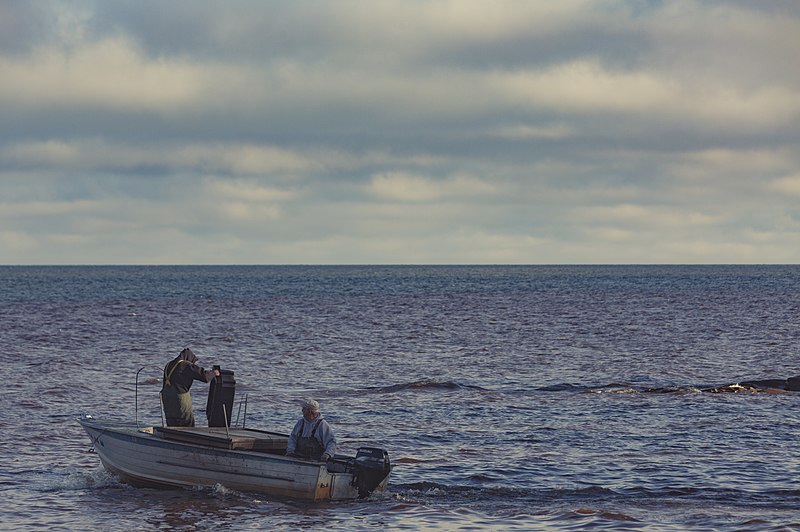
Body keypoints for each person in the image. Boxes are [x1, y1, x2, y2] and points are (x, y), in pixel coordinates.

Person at [160, 348, 219, 427]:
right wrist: (214, 373)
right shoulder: (185, 365)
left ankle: (172, 438)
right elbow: (205, 377)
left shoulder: (169, 364)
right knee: (187, 424)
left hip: (167, 400)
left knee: (172, 424)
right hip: (180, 400)